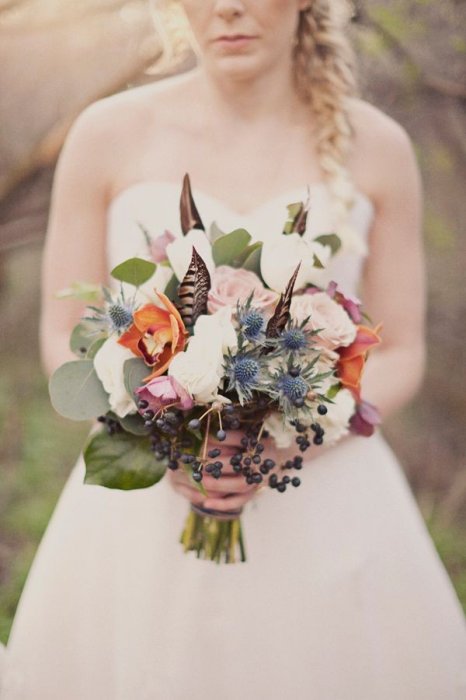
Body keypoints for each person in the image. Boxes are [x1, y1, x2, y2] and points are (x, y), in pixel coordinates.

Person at [2, 1, 466, 698]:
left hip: (323, 496)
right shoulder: (105, 133)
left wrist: (290, 438)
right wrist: (166, 437)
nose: (227, 8)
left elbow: (400, 350)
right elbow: (62, 333)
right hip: (147, 506)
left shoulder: (379, 147)